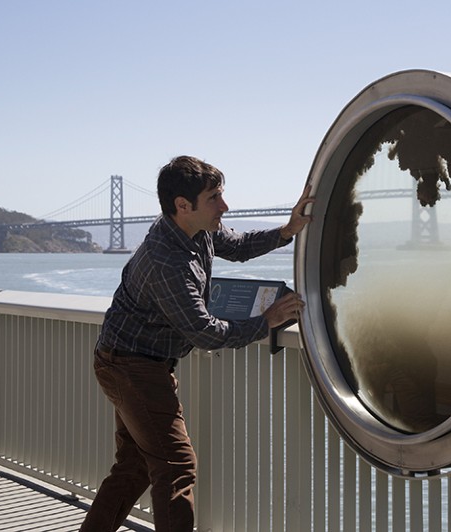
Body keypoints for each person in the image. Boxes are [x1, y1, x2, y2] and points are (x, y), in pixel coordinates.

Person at [80, 155, 312, 531]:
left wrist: (287, 230)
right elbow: (205, 333)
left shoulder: (194, 229)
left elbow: (236, 246)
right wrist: (267, 321)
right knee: (176, 465)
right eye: (214, 198)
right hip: (131, 366)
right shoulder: (167, 262)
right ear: (182, 206)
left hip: (133, 361)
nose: (225, 206)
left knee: (135, 467)